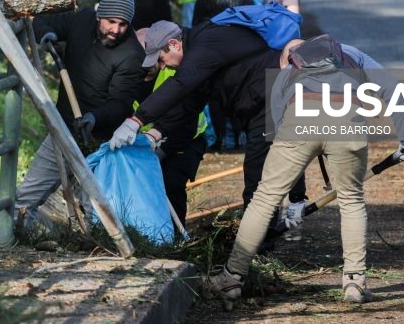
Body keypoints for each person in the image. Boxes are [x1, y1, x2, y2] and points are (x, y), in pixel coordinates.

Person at [208, 35, 404, 306]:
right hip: (349, 119)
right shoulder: (352, 54)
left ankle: (231, 278)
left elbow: (276, 126)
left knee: (265, 196)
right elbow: (394, 88)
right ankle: (354, 281)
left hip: (299, 117)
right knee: (351, 200)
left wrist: (295, 193)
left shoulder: (288, 68)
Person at [108, 18, 307, 235]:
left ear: (174, 44)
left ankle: (258, 247)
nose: (163, 66)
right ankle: (261, 239)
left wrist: (135, 120)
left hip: (270, 99)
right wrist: (153, 136)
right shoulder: (200, 52)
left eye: (162, 59)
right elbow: (190, 103)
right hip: (258, 104)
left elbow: (181, 86)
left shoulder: (204, 46)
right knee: (261, 173)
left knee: (257, 180)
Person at [15, 0, 144, 225]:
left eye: (123, 24)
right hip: (63, 128)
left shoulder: (132, 54)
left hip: (98, 142)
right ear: (99, 16)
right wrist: (47, 34)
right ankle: (11, 240)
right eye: (111, 22)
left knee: (97, 210)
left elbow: (121, 103)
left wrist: (95, 117)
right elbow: (41, 20)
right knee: (26, 198)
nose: (116, 30)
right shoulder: (82, 19)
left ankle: (103, 250)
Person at [133, 25, 207, 224]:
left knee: (171, 184)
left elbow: (186, 120)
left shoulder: (174, 69)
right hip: (147, 143)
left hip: (184, 141)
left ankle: (175, 237)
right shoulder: (131, 76)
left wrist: (161, 152)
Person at [192, 0, 252, 150]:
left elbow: (196, 24)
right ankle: (238, 137)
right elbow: (254, 20)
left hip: (213, 51)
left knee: (216, 97)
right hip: (238, 51)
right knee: (237, 93)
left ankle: (220, 138)